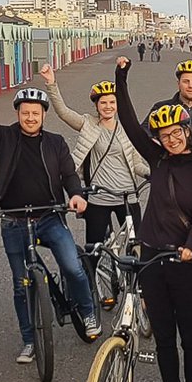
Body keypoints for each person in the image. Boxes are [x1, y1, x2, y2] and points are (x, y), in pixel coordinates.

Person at [114, 57, 192, 382]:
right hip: (152, 257)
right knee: (164, 339)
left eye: (177, 133)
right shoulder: (156, 159)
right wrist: (120, 77)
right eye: (165, 135)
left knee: (190, 337)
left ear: (187, 131)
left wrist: (191, 247)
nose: (171, 140)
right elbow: (127, 121)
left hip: (185, 261)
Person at [0, 71, 100, 362]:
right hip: (14, 221)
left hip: (49, 217)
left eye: (35, 113)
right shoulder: (5, 137)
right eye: (25, 113)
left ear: (43, 115)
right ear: (18, 114)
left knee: (73, 267)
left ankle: (88, 312)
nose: (30, 117)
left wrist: (76, 195)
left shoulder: (56, 143)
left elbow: (68, 174)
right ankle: (29, 340)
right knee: (21, 283)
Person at [40, 64, 148, 246]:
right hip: (99, 197)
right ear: (96, 105)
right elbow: (64, 112)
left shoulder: (127, 129)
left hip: (128, 196)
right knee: (94, 249)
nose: (108, 106)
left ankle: (131, 276)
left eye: (112, 102)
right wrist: (51, 84)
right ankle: (94, 274)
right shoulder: (88, 123)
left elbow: (136, 162)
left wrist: (151, 173)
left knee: (137, 245)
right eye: (103, 102)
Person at [146, 60, 192, 158]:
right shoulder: (162, 108)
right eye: (186, 81)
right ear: (178, 84)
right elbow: (144, 133)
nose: (190, 85)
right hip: (170, 166)